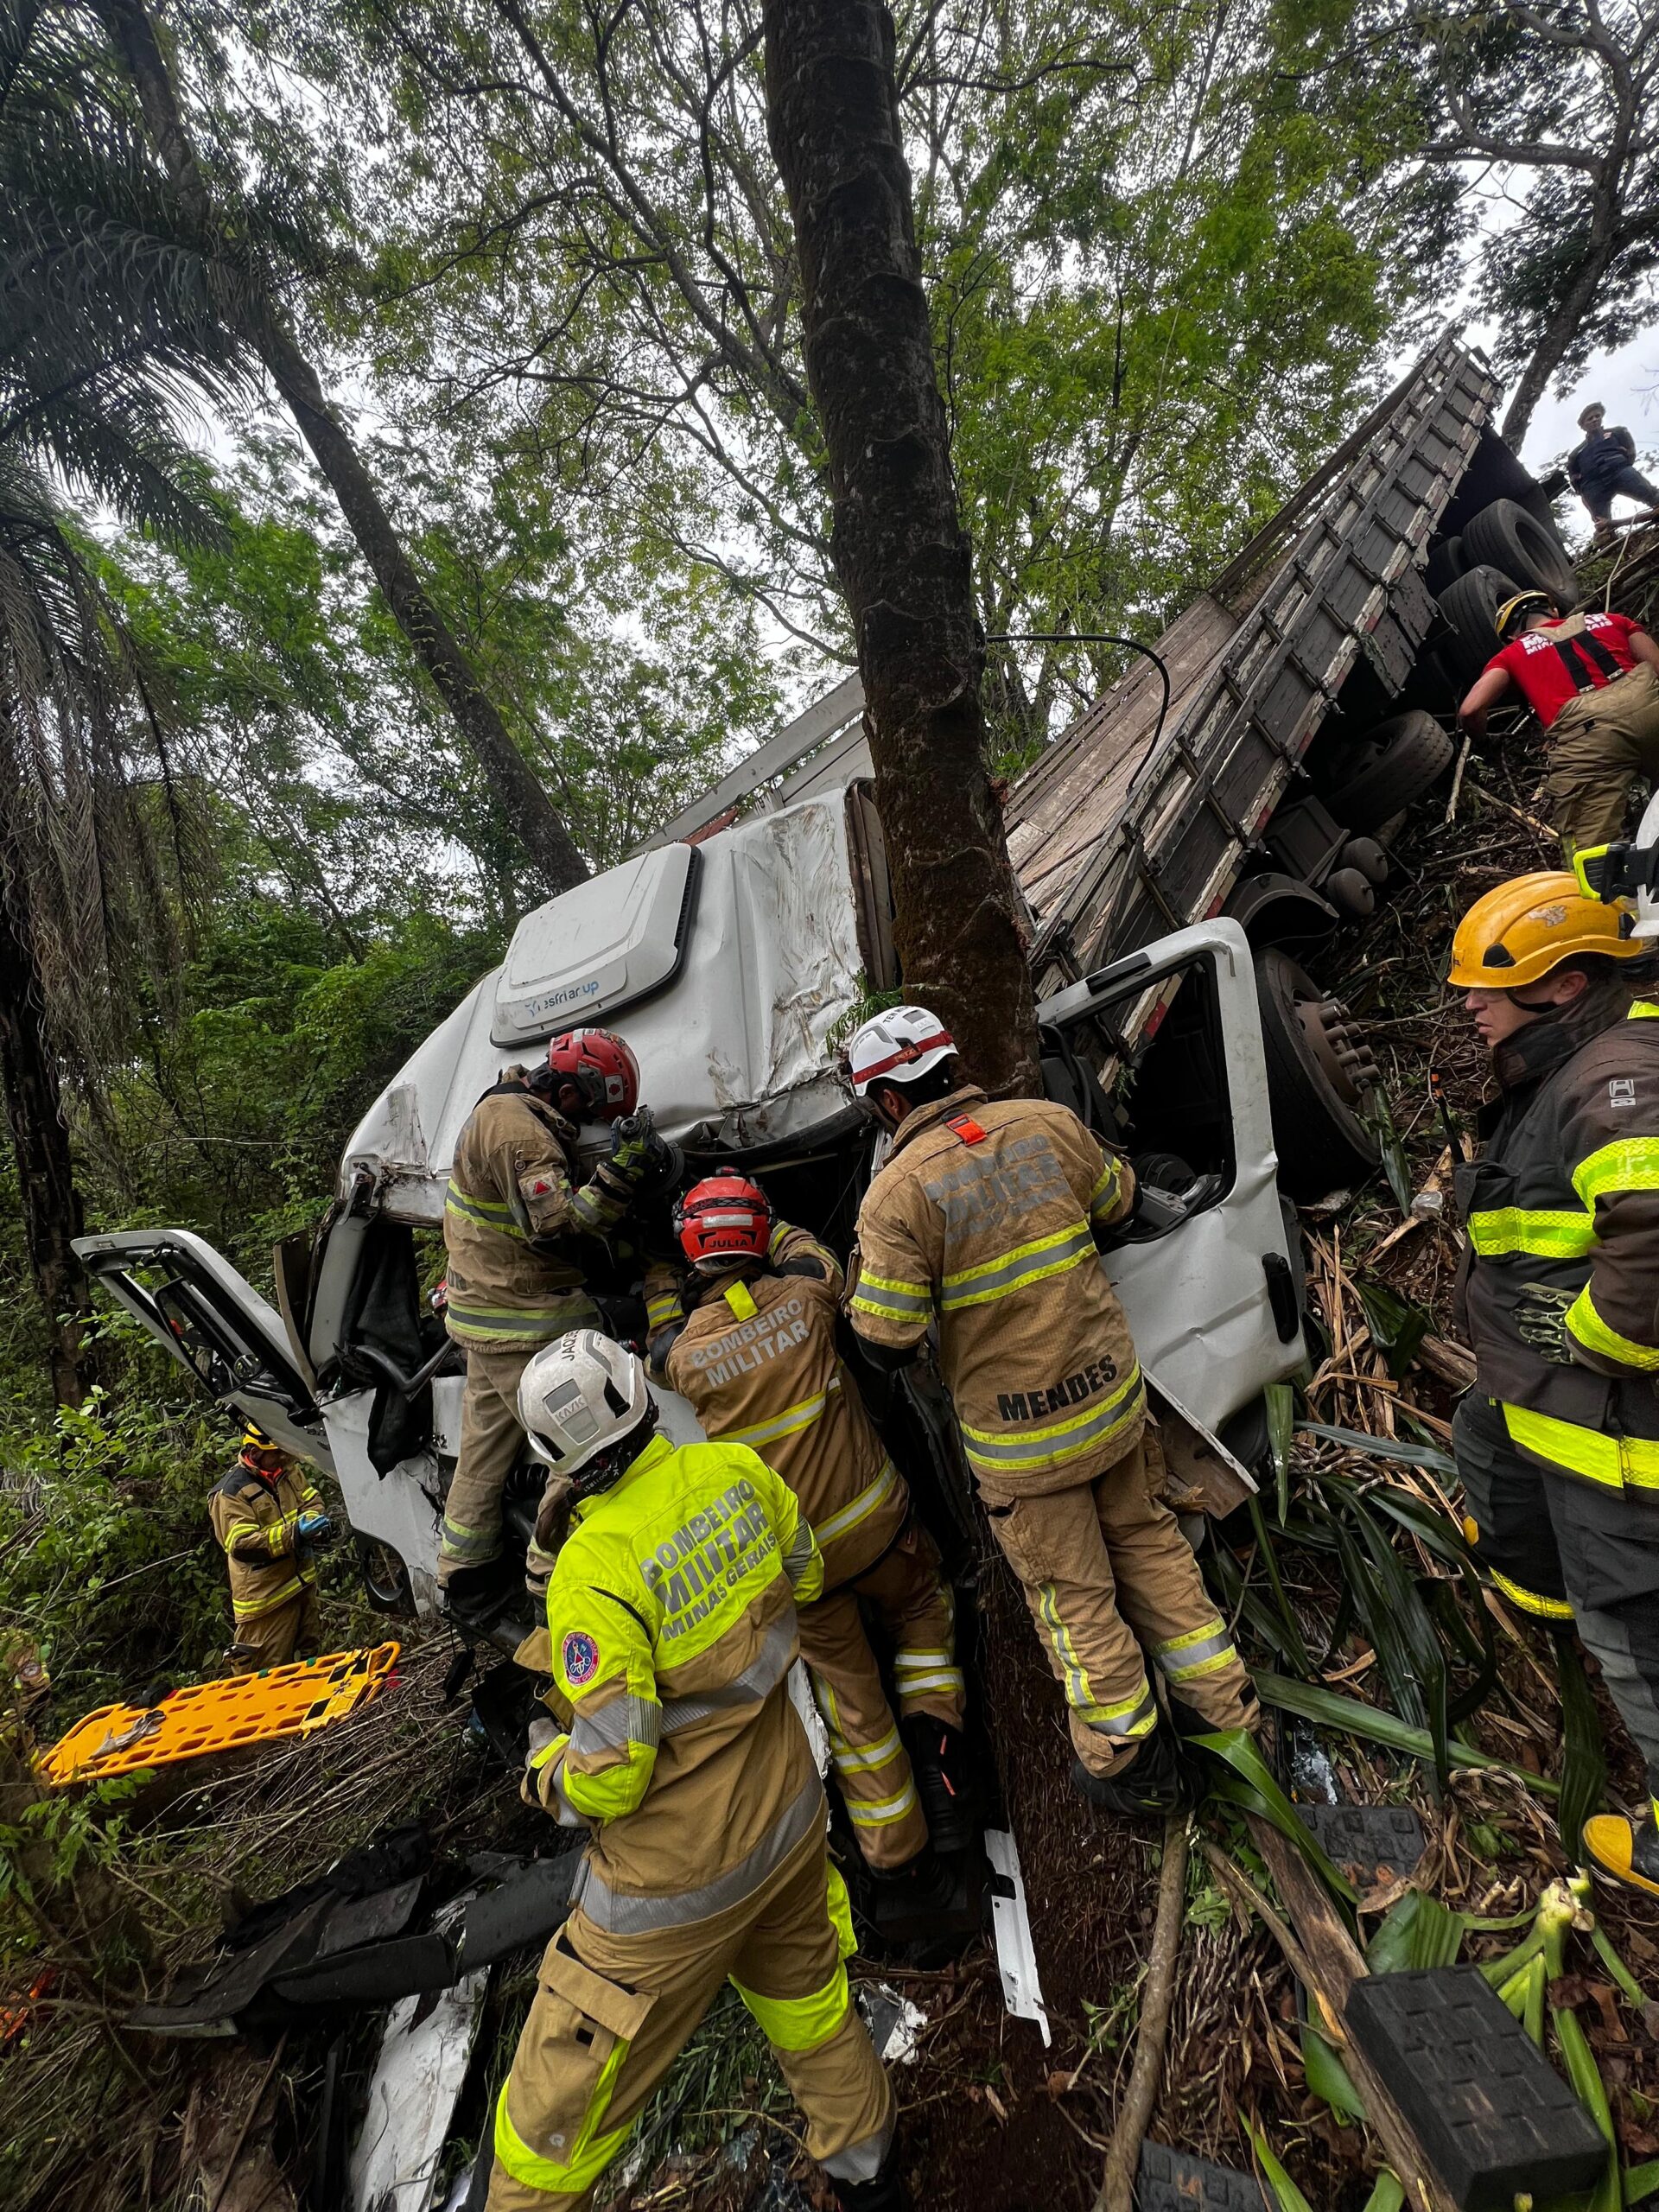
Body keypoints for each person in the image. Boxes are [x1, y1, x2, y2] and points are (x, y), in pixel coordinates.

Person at [483, 1332, 902, 2212]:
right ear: (641, 1395)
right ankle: (872, 2177)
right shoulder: (736, 1471)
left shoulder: (593, 1574)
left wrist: (543, 1768)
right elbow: (804, 1572)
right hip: (786, 1825)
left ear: (554, 1463)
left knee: (548, 2113)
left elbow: (611, 1777)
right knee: (815, 2015)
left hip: (664, 1891)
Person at [842, 1007, 1255, 1815]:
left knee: (1076, 1600)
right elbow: (1123, 1205)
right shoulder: (1049, 1124)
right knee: (1155, 1553)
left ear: (888, 1103)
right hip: (1112, 1406)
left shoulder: (895, 1197)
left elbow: (884, 1343)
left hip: (1025, 1452)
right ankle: (1229, 1719)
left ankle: (1132, 1763)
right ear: (953, 1066)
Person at [658, 1174, 969, 1882]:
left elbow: (656, 1335)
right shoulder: (809, 1297)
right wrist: (777, 1224)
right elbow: (814, 1256)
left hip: (801, 1569)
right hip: (880, 1531)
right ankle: (940, 1757)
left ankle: (898, 1856)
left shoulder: (683, 1358)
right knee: (924, 1617)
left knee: (854, 1706)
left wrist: (662, 1278)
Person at [1446, 874, 1659, 1899]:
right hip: (1537, 1392)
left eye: (1488, 990)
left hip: (1614, 1430)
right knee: (1482, 1441)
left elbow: (1652, 1232)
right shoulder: (1574, 1061)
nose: (1470, 1009)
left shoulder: (1608, 1080)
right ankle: (1545, 1597)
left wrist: (1592, 1339)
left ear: (1566, 981)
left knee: (1634, 1634)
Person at [440, 1027, 664, 1609]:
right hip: (523, 1321)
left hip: (483, 1316)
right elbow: (562, 1224)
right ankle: (548, 1587)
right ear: (568, 1096)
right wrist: (623, 1169)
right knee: (581, 1446)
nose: (588, 1126)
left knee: (484, 1450)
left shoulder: (504, 1102)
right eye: (591, 1114)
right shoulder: (522, 1135)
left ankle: (464, 1576)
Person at [1458, 589, 1659, 857]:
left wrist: (1484, 741)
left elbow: (1470, 709)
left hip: (1588, 741)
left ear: (1510, 637)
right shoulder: (1613, 619)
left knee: (1592, 854)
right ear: (1553, 611)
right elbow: (1655, 664)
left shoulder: (1511, 654)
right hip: (1651, 706)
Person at [208, 1427, 329, 1671]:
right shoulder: (231, 1493)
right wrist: (294, 1534)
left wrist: (313, 1524)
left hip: (302, 1586)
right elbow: (242, 1545)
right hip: (266, 1602)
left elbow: (312, 1501)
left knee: (310, 1662)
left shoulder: (287, 1471)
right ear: (255, 1452)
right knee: (269, 1674)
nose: (284, 1457)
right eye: (276, 1453)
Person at [1567, 403, 1658, 544]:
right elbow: (1575, 479)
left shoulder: (1617, 432)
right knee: (1601, 524)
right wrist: (1584, 492)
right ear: (1583, 425)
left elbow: (1630, 452)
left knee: (1651, 495)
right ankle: (1608, 545)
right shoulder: (1576, 453)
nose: (1594, 420)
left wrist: (1621, 464)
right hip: (1593, 484)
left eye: (1597, 416)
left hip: (1619, 470)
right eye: (1590, 418)